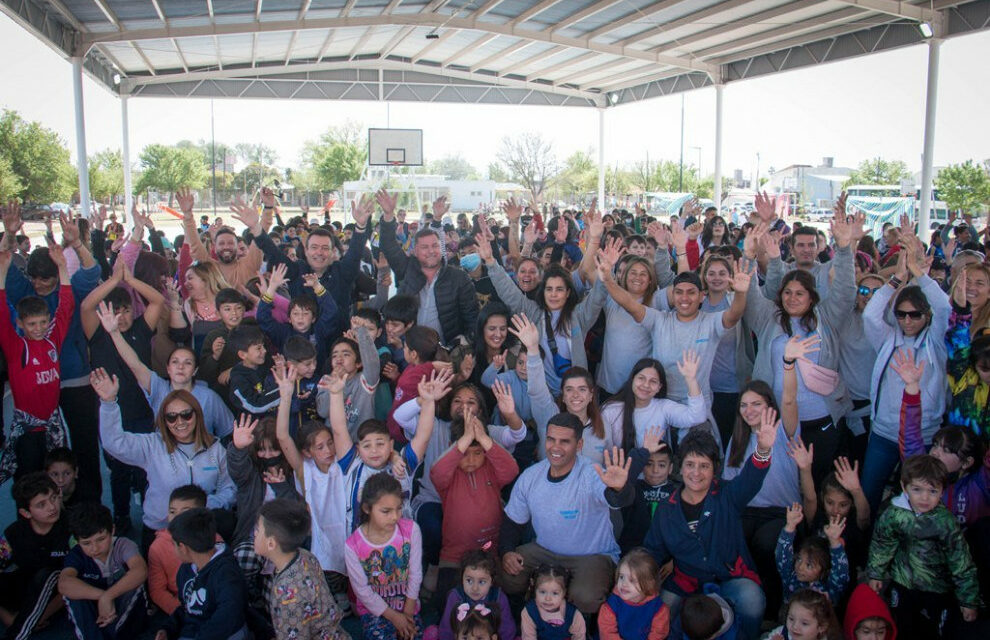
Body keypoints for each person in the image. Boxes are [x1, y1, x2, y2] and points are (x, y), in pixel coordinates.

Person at [742, 212, 858, 487]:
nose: (792, 298)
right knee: (782, 486)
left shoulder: (826, 317)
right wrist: (748, 256)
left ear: (812, 296)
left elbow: (844, 289)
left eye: (799, 293)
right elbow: (748, 292)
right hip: (776, 424)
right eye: (787, 293)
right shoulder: (768, 317)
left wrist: (843, 249)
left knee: (815, 486)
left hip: (821, 423)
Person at [643, 418, 778, 640]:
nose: (696, 473)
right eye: (690, 464)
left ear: (714, 468)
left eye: (704, 465)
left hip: (729, 579)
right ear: (680, 467)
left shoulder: (727, 496)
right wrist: (637, 574)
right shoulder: (667, 510)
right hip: (685, 583)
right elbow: (652, 551)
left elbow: (751, 479)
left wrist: (763, 450)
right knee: (660, 613)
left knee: (752, 599)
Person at [498, 413, 631, 616]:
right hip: (545, 550)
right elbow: (513, 521)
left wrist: (620, 489)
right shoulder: (532, 476)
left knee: (585, 597)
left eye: (565, 441)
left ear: (579, 445)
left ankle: (581, 628)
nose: (555, 447)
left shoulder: (591, 473)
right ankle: (523, 620)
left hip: (590, 555)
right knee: (507, 575)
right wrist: (507, 551)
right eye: (551, 439)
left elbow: (615, 499)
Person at [92, 368, 236, 545]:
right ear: (164, 420)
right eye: (171, 417)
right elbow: (114, 442)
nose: (180, 422)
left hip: (201, 531)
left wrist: (203, 505)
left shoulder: (216, 448)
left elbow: (229, 489)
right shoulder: (153, 445)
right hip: (159, 531)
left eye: (186, 414)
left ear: (197, 415)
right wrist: (108, 403)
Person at [861, 235, 951, 514]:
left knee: (921, 503)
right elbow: (870, 315)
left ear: (926, 315)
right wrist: (897, 278)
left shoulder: (936, 341)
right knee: (868, 495)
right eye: (901, 315)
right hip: (884, 433)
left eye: (915, 315)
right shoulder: (888, 338)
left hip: (924, 436)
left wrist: (921, 276)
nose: (907, 321)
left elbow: (945, 308)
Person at [867, 455, 980, 638]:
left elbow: (961, 562)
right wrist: (875, 573)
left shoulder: (945, 522)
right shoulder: (894, 514)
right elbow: (882, 545)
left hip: (937, 589)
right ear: (905, 487)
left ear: (942, 491)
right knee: (902, 627)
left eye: (933, 491)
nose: (924, 497)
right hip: (903, 583)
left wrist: (968, 600)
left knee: (934, 631)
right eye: (917, 490)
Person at [94, 304, 234, 439]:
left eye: (188, 363)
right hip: (165, 457)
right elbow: (135, 364)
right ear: (168, 368)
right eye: (175, 362)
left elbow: (228, 431)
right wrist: (114, 332)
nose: (180, 367)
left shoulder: (209, 397)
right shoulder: (158, 388)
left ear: (195, 370)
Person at [0, 239, 73, 483]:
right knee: (29, 484)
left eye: (43, 322)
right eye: (32, 324)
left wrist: (63, 268)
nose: (39, 328)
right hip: (28, 433)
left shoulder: (53, 342)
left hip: (53, 427)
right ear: (20, 324)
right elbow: (1, 312)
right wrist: (2, 271)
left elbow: (66, 306)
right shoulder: (16, 348)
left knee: (56, 483)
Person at [430, 409, 518, 590]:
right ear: (454, 447)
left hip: (489, 554)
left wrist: (484, 438)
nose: (471, 459)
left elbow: (511, 469)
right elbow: (437, 472)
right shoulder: (448, 475)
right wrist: (466, 437)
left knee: (490, 607)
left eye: (478, 453)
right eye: (464, 453)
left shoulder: (491, 469)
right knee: (449, 606)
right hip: (454, 556)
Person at [378, 191, 479, 347]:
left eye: (435, 246)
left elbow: (472, 317)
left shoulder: (459, 278)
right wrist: (388, 215)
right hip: (410, 351)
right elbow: (388, 245)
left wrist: (462, 345)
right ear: (415, 251)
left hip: (446, 353)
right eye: (424, 247)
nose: (431, 251)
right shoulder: (407, 268)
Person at [254, 499, 349, 640]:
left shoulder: (287, 591)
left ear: (271, 543)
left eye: (257, 530)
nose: (254, 533)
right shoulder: (305, 555)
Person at [344, 472, 424, 640]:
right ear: (367, 508)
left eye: (399, 508)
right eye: (386, 511)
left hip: (408, 606)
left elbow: (415, 574)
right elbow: (363, 591)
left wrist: (407, 614)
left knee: (413, 635)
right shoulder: (353, 545)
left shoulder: (411, 530)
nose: (395, 517)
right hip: (375, 612)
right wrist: (395, 617)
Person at [58, 502, 148, 640]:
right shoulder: (77, 554)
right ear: (77, 541)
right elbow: (64, 583)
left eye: (101, 539)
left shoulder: (123, 545)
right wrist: (102, 597)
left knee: (135, 584)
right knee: (72, 594)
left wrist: (109, 596)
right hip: (96, 611)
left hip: (123, 613)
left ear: (112, 530)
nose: (95, 548)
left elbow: (140, 571)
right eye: (86, 543)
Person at [155, 508, 248, 640]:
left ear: (183, 547)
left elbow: (229, 617)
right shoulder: (186, 569)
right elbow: (187, 607)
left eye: (173, 544)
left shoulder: (226, 573)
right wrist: (168, 629)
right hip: (194, 632)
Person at [0, 472, 71, 640]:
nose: (52, 507)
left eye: (54, 498)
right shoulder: (13, 533)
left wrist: (38, 617)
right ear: (26, 513)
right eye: (41, 505)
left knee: (50, 575)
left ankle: (18, 632)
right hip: (24, 594)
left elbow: (75, 582)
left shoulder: (72, 529)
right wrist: (9, 618)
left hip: (58, 595)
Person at [177, 188, 264, 291]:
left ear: (237, 246)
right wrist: (187, 215)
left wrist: (264, 213)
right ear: (215, 246)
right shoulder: (209, 267)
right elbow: (195, 244)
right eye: (221, 243)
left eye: (231, 243)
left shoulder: (249, 264)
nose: (226, 247)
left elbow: (260, 240)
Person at [147, 485, 213, 616]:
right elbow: (157, 591)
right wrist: (180, 612)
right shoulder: (157, 547)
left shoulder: (214, 540)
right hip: (179, 609)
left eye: (185, 512)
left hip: (211, 603)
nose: (177, 518)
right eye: (172, 512)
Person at [775, 503, 849, 605]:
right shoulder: (790, 577)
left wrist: (834, 541)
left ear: (823, 571)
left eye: (809, 565)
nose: (800, 567)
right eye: (799, 559)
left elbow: (841, 573)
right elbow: (782, 556)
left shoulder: (830, 589)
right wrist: (790, 526)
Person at [437, 550, 515, 640]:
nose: (475, 588)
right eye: (469, 580)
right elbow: (446, 630)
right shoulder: (455, 597)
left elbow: (507, 631)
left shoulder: (498, 598)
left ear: (492, 581)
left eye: (482, 582)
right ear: (462, 578)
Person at [598, 548, 671, 640]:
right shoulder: (610, 606)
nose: (624, 584)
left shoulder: (659, 609)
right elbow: (607, 633)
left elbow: (658, 633)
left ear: (649, 584)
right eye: (621, 577)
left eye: (632, 580)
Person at [519, 564, 586, 640]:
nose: (548, 598)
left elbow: (579, 637)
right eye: (542, 592)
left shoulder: (573, 614)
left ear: (564, 592)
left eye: (555, 593)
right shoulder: (529, 612)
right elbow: (529, 637)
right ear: (535, 590)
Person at [764, 588, 841, 640]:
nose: (795, 626)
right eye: (791, 619)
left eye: (804, 623)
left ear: (821, 627)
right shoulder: (781, 633)